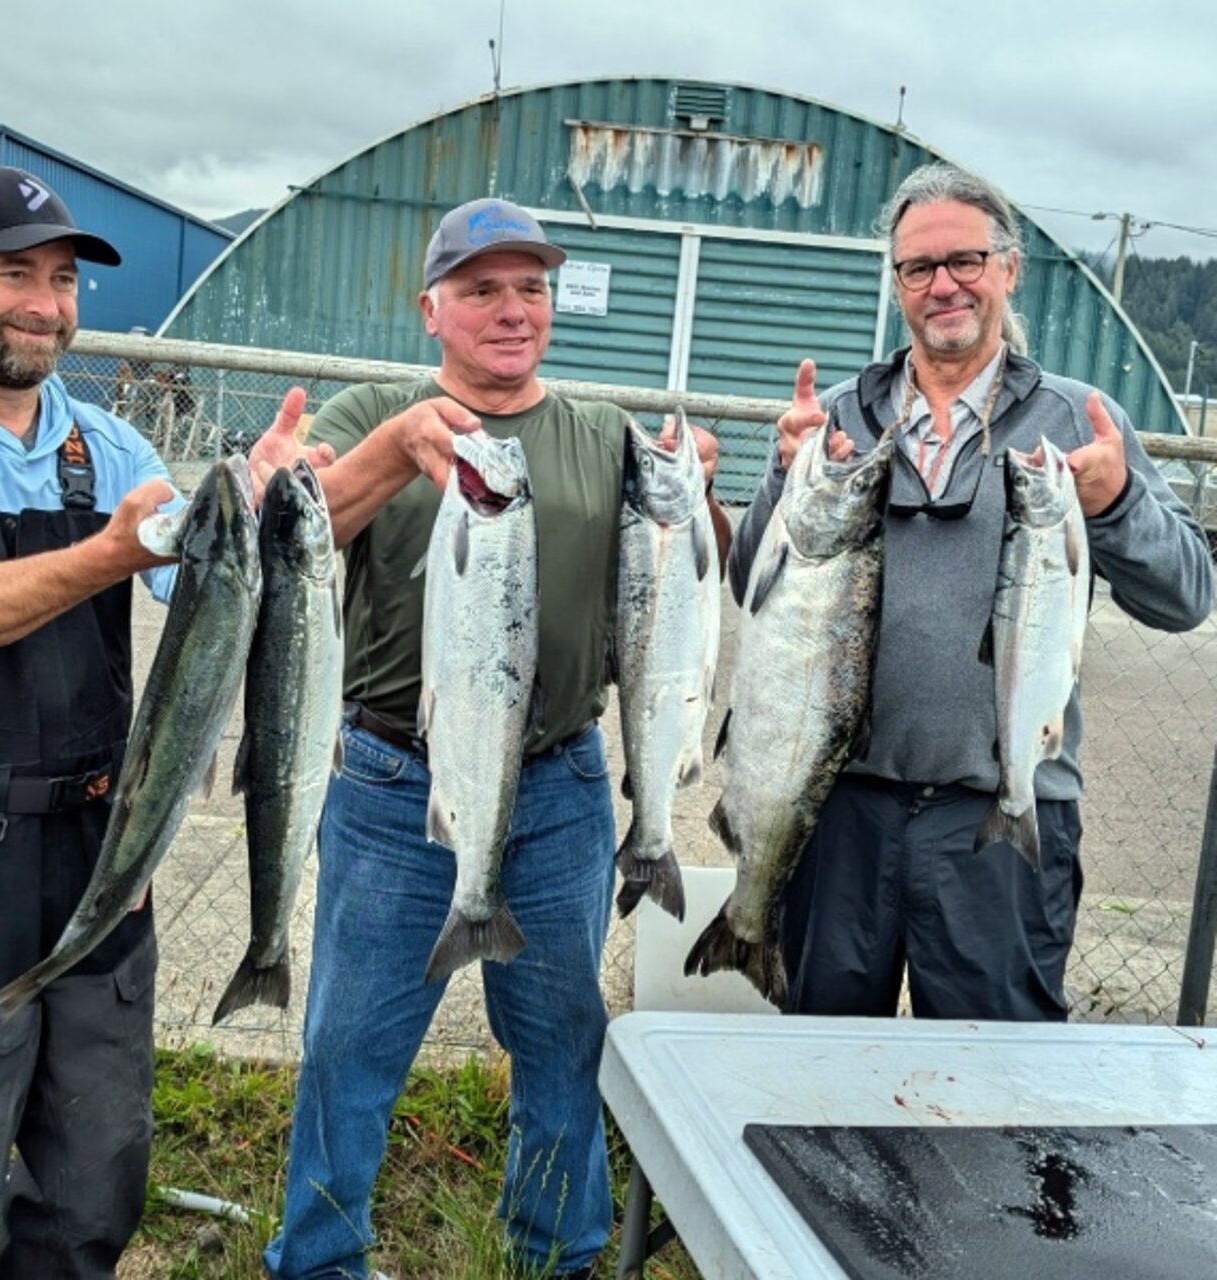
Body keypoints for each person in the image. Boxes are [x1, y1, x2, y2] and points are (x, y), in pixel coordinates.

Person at [250, 197, 729, 1280]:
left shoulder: (602, 433)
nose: (511, 309)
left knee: (561, 1039)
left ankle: (554, 1252)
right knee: (348, 1045)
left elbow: (690, 580)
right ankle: (318, 1259)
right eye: (480, 289)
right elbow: (295, 529)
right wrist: (386, 445)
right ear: (431, 308)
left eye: (530, 287)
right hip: (392, 785)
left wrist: (697, 482)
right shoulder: (373, 406)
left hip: (561, 780)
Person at [731, 162, 1213, 1024]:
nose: (943, 284)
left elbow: (1186, 596)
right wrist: (781, 477)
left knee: (999, 1094)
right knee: (821, 1074)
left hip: (1007, 819)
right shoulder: (838, 416)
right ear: (897, 286)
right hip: (840, 810)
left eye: (965, 260)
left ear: (1008, 269)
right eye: (919, 268)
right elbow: (749, 588)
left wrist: (1117, 504)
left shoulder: (1080, 420)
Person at [0, 166, 179, 1279]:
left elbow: (210, 573)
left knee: (93, 1180)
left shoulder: (109, 448)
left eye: (63, 278)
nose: (44, 301)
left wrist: (306, 489)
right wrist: (110, 554)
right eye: (11, 273)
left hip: (95, 855)